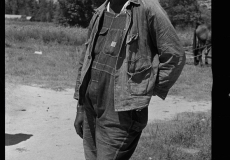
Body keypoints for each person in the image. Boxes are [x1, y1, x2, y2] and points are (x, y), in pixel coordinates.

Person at [73, 0, 186, 159]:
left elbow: (175, 56)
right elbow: (84, 60)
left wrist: (143, 89)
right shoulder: (99, 12)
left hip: (122, 113)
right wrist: (80, 107)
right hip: (91, 107)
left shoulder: (147, 9)